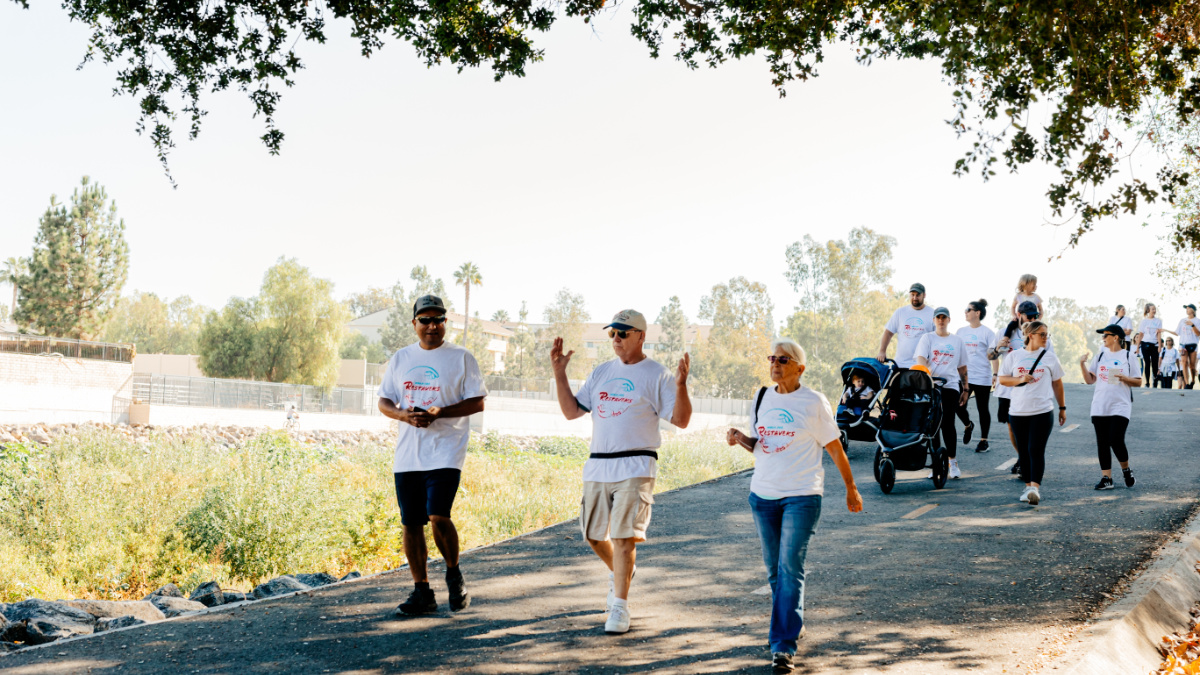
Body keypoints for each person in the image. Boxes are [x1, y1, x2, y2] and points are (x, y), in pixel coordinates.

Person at [725, 337, 862, 674]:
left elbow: (834, 448)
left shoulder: (813, 402)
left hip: (801, 495)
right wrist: (741, 438)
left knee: (789, 567)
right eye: (773, 357)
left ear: (800, 368)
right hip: (762, 495)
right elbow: (764, 445)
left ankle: (782, 646)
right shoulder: (762, 396)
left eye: (784, 360)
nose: (776, 363)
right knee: (775, 572)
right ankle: (791, 622)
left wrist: (851, 488)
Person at [551, 309, 692, 635]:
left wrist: (682, 385)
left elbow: (681, 420)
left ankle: (619, 606)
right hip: (598, 464)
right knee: (593, 535)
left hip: (637, 464)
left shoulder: (657, 375)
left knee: (623, 536)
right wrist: (560, 373)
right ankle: (623, 572)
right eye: (612, 333)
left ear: (641, 336)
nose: (616, 338)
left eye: (623, 333)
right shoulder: (601, 372)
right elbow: (572, 412)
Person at [377, 295, 487, 616]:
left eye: (437, 319)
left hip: (446, 451)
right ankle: (422, 592)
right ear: (414, 324)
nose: (431, 326)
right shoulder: (400, 358)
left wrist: (440, 412)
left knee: (438, 514)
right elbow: (384, 401)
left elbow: (477, 402)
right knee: (411, 523)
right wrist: (404, 416)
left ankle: (454, 575)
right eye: (424, 319)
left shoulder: (461, 357)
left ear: (445, 323)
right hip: (408, 455)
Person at [997, 321, 1067, 506]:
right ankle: (1028, 487)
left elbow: (1057, 384)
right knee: (1024, 452)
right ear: (1031, 335)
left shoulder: (1050, 357)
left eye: (1046, 334)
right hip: (1018, 411)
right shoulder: (1014, 356)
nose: (1045, 338)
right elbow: (1003, 379)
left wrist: (1062, 408)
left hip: (1042, 411)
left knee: (1036, 449)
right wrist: (1020, 379)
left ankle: (1034, 487)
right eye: (1042, 334)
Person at [990, 300, 1052, 475]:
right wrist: (997, 348)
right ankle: (1022, 457)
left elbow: (1049, 359)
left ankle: (1028, 459)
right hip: (1008, 389)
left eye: (1035, 316)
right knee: (1012, 427)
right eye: (1029, 316)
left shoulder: (1040, 333)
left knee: (1031, 428)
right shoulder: (1004, 332)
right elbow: (990, 355)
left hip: (1031, 388)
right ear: (1019, 315)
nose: (1032, 318)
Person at [1080, 324, 1140, 489]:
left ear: (1116, 337)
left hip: (1121, 405)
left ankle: (1126, 469)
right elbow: (1090, 380)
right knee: (1102, 442)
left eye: (1106, 335)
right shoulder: (1100, 355)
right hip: (1100, 405)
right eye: (1102, 336)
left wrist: (1124, 378)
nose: (1103, 338)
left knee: (1115, 439)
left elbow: (1138, 381)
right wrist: (1082, 365)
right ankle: (1107, 479)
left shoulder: (1128, 356)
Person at [915, 307, 970, 479]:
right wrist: (925, 375)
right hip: (931, 386)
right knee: (932, 425)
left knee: (947, 422)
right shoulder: (927, 338)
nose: (941, 320)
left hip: (950, 386)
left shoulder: (957, 340)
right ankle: (937, 464)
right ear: (933, 320)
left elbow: (962, 367)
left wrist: (966, 388)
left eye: (944, 317)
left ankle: (952, 462)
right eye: (938, 317)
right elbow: (921, 359)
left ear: (949, 320)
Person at [955, 299, 998, 453]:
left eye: (968, 309)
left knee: (982, 408)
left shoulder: (987, 333)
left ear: (977, 313)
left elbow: (993, 355)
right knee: (958, 406)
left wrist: (995, 374)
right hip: (964, 377)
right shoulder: (961, 331)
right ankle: (968, 425)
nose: (965, 312)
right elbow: (956, 353)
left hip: (982, 377)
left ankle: (983, 441)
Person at [877, 283, 935, 368]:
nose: (915, 298)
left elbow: (937, 339)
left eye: (918, 295)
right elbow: (888, 333)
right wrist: (882, 351)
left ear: (924, 295)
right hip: (900, 364)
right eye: (912, 295)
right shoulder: (900, 312)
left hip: (921, 366)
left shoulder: (932, 314)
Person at [1163, 304, 1198, 388]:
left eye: (1188, 308)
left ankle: (1193, 380)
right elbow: (1177, 332)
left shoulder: (1197, 321)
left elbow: (1198, 333)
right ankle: (1187, 384)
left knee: (1192, 366)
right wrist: (1166, 330)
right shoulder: (1182, 320)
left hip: (1193, 345)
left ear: (1193, 310)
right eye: (1186, 308)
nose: (1187, 310)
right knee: (1184, 363)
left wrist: (1192, 325)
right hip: (1183, 345)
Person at [1136, 303, 1163, 387]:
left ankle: (1155, 379)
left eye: (1155, 309)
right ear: (1148, 310)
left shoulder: (1158, 321)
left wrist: (1159, 346)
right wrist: (1137, 347)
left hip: (1154, 344)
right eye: (1152, 309)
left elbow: (1159, 334)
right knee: (1147, 363)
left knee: (1155, 364)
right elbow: (1140, 334)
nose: (1154, 311)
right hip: (1145, 344)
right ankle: (1147, 382)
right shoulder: (1144, 321)